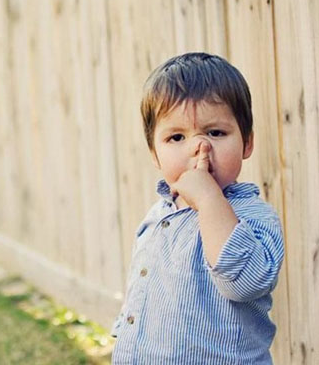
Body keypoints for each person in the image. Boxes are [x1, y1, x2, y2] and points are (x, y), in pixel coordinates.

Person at [111, 52, 284, 364]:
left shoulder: (252, 216)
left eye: (215, 133)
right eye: (176, 137)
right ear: (155, 153)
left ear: (246, 143)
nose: (198, 147)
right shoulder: (159, 216)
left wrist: (208, 200)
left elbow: (245, 282)